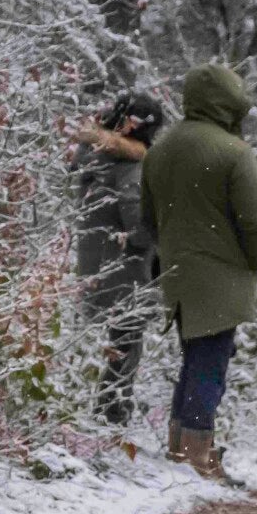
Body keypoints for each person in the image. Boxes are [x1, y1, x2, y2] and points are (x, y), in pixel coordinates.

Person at [139, 62, 257, 481]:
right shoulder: (234, 152)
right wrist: (254, 262)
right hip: (223, 274)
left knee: (194, 360)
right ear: (229, 102)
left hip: (177, 273)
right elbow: (255, 223)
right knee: (210, 364)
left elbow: (148, 219)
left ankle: (181, 451)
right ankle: (197, 457)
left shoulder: (160, 150)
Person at [71, 91, 166, 425]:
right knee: (127, 339)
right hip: (123, 266)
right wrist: (158, 231)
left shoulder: (92, 156)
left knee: (103, 341)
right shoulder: (130, 165)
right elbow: (137, 220)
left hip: (94, 260)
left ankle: (96, 411)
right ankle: (113, 414)